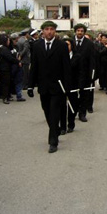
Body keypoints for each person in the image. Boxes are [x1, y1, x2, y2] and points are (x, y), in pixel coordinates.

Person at [27, 21, 71, 153]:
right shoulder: (37, 45)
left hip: (57, 86)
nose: (49, 31)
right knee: (46, 110)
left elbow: (66, 67)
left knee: (54, 112)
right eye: (47, 29)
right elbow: (34, 66)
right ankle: (55, 129)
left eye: (52, 29)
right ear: (43, 31)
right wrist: (30, 85)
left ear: (55, 31)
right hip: (43, 86)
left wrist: (67, 87)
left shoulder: (61, 46)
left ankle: (53, 142)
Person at [74, 24, 98, 121]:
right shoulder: (70, 42)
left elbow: (92, 60)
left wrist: (92, 74)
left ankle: (82, 113)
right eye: (78, 30)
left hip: (85, 73)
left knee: (84, 94)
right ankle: (73, 112)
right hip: (72, 73)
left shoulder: (89, 44)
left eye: (82, 31)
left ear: (84, 32)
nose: (80, 32)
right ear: (75, 31)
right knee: (73, 94)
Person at [62, 38, 85, 134]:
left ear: (72, 45)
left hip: (73, 85)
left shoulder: (77, 56)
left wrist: (80, 84)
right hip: (61, 85)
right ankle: (63, 127)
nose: (66, 47)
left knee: (72, 105)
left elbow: (80, 71)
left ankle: (71, 124)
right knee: (61, 106)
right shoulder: (59, 56)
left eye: (68, 44)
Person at [0, 34, 20, 104]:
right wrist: (18, 61)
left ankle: (6, 95)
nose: (9, 42)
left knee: (6, 82)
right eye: (8, 40)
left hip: (5, 68)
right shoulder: (4, 49)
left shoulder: (5, 48)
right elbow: (10, 58)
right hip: (4, 68)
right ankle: (5, 97)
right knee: (5, 83)